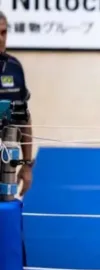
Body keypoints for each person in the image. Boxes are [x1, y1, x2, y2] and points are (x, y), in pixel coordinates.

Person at [0, 11, 34, 196]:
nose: (1, 39)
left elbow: (24, 118)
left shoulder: (14, 67)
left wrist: (27, 165)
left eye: (4, 33)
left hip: (6, 166)